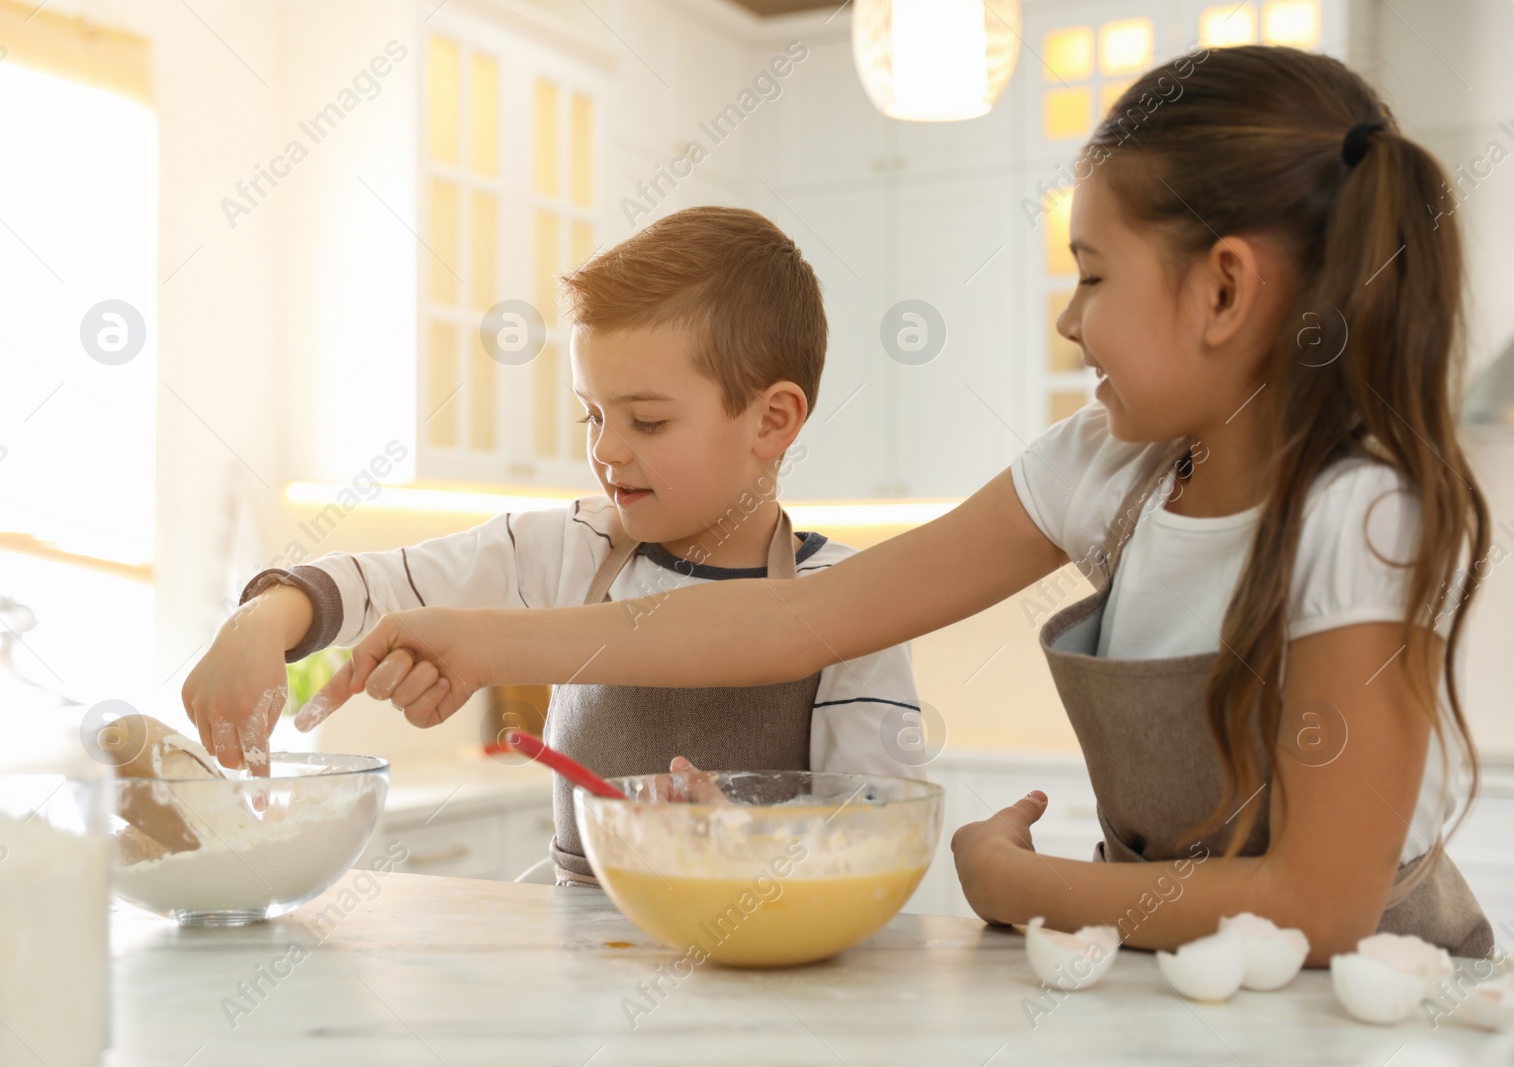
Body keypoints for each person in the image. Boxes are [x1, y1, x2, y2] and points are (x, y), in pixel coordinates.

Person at [323, 46, 1495, 960]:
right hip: (1182, 986)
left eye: (1090, 273)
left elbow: (1321, 904)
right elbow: (787, 621)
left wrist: (1017, 882)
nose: (1068, 319)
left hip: (1358, 1006)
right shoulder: (1102, 471)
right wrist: (480, 635)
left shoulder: (1358, 515)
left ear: (1224, 288)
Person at [181, 206, 924, 886]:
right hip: (584, 956)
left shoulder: (844, 602)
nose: (607, 452)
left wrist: (750, 842)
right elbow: (387, 584)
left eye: (648, 422)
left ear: (772, 421)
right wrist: (264, 620)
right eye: (591, 416)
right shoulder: (571, 546)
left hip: (768, 967)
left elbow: (879, 832)